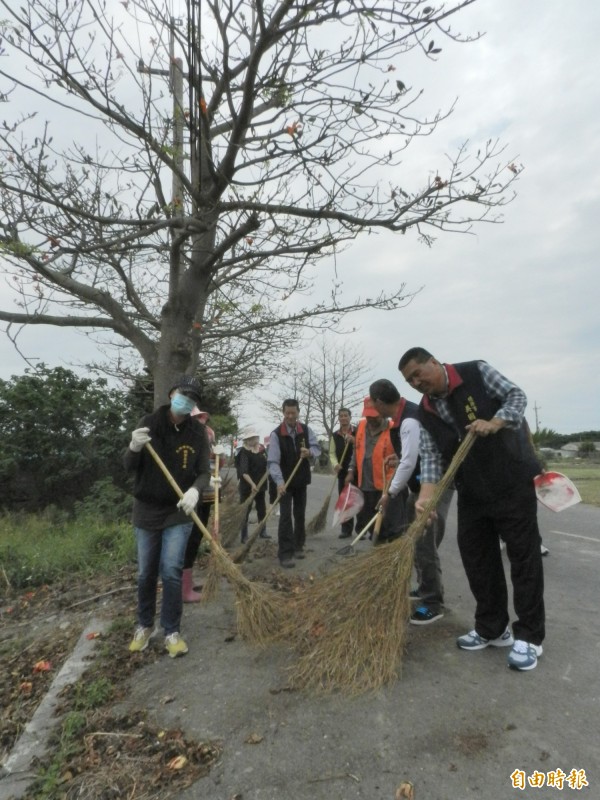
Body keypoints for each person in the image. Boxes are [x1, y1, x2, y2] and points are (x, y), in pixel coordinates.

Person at [398, 347, 545, 671]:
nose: (415, 382)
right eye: (409, 380)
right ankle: (492, 628)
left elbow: (516, 396)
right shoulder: (424, 412)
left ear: (434, 363)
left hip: (511, 479)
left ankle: (530, 637)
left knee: (523, 557)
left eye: (418, 374)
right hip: (473, 489)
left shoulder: (476, 372)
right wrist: (426, 497)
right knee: (477, 558)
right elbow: (433, 459)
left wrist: (495, 421)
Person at [124, 375, 210, 658]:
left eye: (192, 398)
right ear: (172, 393)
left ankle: (171, 630)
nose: (187, 400)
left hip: (179, 511)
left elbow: (203, 471)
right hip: (147, 509)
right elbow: (128, 466)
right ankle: (144, 625)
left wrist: (196, 491)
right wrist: (134, 447)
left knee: (171, 571)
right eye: (184, 394)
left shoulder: (197, 433)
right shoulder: (148, 423)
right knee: (146, 572)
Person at [369, 378, 452, 625]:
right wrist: (398, 457)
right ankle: (425, 587)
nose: (374, 408)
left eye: (374, 403)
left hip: (435, 485)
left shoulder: (409, 420)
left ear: (381, 402)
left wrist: (389, 493)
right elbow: (409, 456)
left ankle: (433, 602)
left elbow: (409, 462)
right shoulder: (405, 416)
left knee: (425, 541)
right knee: (413, 538)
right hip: (419, 483)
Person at [267, 399, 321, 568]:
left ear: (298, 412)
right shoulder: (276, 434)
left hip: (301, 480)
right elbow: (273, 462)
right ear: (283, 413)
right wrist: (280, 482)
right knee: (285, 517)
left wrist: (309, 452)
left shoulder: (305, 430)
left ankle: (298, 545)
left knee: (299, 514)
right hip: (283, 482)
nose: (290, 416)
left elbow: (317, 449)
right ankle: (285, 553)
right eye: (287, 413)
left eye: (293, 412)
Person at [345, 396, 405, 543]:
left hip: (389, 485)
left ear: (381, 411)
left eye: (374, 416)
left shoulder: (394, 428)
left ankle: (392, 555)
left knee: (392, 524)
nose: (371, 419)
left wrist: (398, 461)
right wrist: (351, 470)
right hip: (366, 484)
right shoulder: (361, 427)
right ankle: (377, 550)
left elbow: (405, 455)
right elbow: (356, 450)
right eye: (368, 415)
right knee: (371, 522)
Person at [181, 406, 216, 603]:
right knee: (189, 536)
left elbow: (210, 463)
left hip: (207, 490)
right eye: (197, 418)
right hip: (190, 493)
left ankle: (188, 580)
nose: (201, 421)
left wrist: (217, 462)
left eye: (203, 417)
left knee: (197, 535)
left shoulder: (208, 434)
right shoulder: (186, 437)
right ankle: (183, 588)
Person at [237, 428, 270, 543]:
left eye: (255, 438)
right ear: (247, 440)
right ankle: (244, 536)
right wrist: (252, 484)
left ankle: (262, 531)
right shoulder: (244, 453)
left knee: (262, 509)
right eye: (251, 438)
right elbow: (243, 472)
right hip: (247, 487)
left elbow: (268, 463)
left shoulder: (262, 451)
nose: (254, 440)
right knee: (245, 511)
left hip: (261, 486)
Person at [328, 407, 357, 539]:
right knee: (345, 500)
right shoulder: (335, 436)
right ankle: (346, 529)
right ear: (338, 418)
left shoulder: (357, 431)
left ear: (350, 417)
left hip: (357, 470)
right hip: (342, 471)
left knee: (357, 498)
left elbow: (363, 445)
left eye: (346, 415)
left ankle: (361, 527)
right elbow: (332, 453)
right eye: (341, 416)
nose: (344, 418)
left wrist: (354, 441)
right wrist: (335, 464)